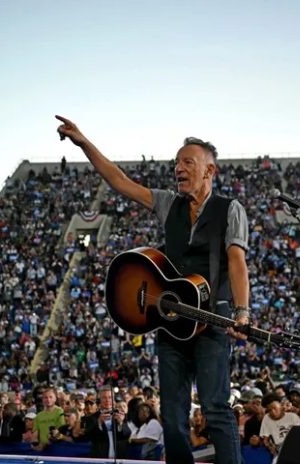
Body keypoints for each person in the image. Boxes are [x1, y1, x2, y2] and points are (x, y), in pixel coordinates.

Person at [56, 115, 250, 464]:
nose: (178, 168)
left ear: (210, 171)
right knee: (173, 421)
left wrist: (242, 312)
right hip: (171, 322)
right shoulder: (167, 203)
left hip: (212, 320)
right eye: (176, 162)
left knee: (216, 410)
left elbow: (236, 261)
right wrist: (84, 143)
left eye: (187, 162)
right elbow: (119, 180)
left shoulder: (229, 210)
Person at [83, 386, 132, 458]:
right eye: (104, 397)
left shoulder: (121, 415)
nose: (107, 400)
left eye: (110, 397)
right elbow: (88, 436)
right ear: (100, 400)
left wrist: (121, 423)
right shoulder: (91, 418)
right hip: (100, 459)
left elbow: (127, 434)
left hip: (119, 458)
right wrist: (99, 423)